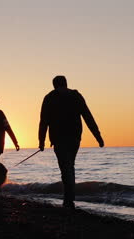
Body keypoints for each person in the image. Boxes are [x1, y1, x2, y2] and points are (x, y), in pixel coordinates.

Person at [38, 75, 104, 209]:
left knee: (65, 167)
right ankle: (69, 198)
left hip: (58, 137)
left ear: (54, 85)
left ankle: (68, 198)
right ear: (66, 83)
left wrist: (41, 141)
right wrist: (98, 136)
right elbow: (87, 116)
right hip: (74, 137)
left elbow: (43, 121)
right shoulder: (75, 96)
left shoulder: (49, 97)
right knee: (70, 165)